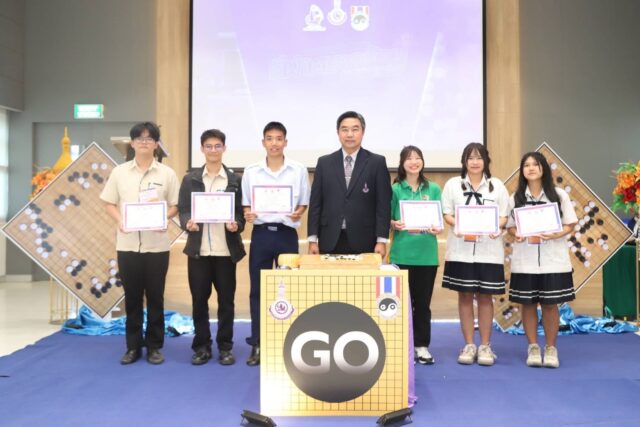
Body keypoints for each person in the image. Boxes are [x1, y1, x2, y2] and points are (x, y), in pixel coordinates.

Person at [100, 122, 179, 365]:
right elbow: (109, 203)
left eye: (149, 138)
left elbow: (176, 205)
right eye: (139, 138)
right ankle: (133, 347)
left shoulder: (167, 174)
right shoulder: (119, 172)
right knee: (132, 298)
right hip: (127, 245)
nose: (144, 142)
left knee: (156, 298)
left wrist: (164, 218)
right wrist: (121, 220)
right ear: (132, 143)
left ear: (156, 144)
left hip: (157, 246)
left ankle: (154, 346)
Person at [241, 122, 310, 366]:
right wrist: (248, 214)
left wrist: (298, 212)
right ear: (263, 142)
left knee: (288, 289)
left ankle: (286, 343)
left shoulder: (298, 170)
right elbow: (246, 204)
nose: (274, 143)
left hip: (286, 235)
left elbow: (303, 202)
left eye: (278, 138)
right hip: (261, 235)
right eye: (269, 138)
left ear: (285, 142)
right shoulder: (251, 171)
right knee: (258, 290)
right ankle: (258, 343)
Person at [178, 129, 246, 366]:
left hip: (225, 251)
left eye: (218, 146)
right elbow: (184, 209)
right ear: (202, 149)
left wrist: (236, 224)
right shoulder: (191, 179)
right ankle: (201, 347)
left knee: (226, 302)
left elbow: (241, 214)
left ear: (224, 148)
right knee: (199, 301)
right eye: (209, 146)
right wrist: (187, 222)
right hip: (199, 252)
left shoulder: (235, 180)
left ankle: (225, 347)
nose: (213, 150)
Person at [507, 152, 577, 368]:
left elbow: (570, 223)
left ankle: (551, 348)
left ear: (543, 168)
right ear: (522, 171)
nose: (531, 168)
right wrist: (517, 233)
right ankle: (533, 347)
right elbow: (510, 226)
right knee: (527, 304)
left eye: (535, 164)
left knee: (550, 304)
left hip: (552, 260)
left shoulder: (558, 195)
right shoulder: (516, 197)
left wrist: (555, 234)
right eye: (526, 165)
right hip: (525, 260)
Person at [441, 142, 508, 366]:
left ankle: (485, 345)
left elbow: (504, 216)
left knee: (486, 297)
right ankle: (469, 344)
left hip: (489, 251)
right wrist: (458, 225)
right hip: (461, 251)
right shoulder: (453, 184)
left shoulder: (497, 186)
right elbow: (447, 213)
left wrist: (496, 226)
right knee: (465, 296)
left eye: (479, 158)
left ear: (486, 161)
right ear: (464, 161)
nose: (475, 162)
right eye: (470, 158)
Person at [308, 111, 391, 256]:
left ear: (363, 132)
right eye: (345, 129)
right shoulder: (324, 163)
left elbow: (383, 205)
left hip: (365, 239)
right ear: (338, 132)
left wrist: (381, 240)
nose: (349, 134)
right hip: (329, 238)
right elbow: (316, 204)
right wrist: (312, 239)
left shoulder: (376, 162)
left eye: (355, 129)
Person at [389, 146, 442, 365]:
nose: (414, 162)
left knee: (422, 304)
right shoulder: (394, 189)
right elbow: (387, 219)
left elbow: (439, 220)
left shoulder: (434, 188)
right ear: (402, 163)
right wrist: (393, 223)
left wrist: (437, 228)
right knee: (400, 304)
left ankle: (421, 346)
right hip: (401, 254)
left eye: (417, 158)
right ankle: (402, 346)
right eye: (409, 159)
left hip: (426, 255)